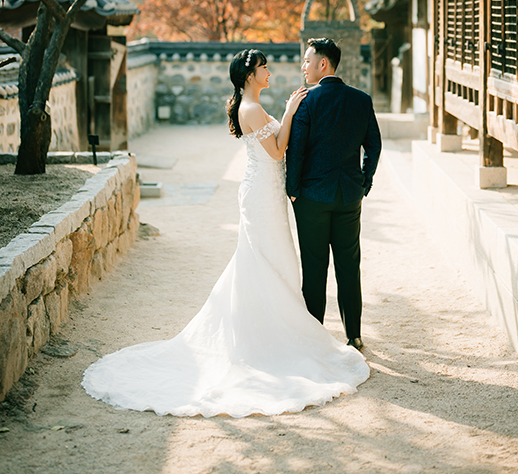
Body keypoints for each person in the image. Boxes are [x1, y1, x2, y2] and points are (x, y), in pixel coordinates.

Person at [83, 49, 369, 417]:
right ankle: (268, 336)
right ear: (250, 74)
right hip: (261, 196)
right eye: (264, 67)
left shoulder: (251, 105)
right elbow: (279, 151)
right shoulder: (250, 109)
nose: (269, 71)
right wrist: (290, 111)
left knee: (273, 261)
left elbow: (276, 145)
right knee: (267, 261)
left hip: (266, 192)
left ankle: (278, 328)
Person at [286, 38, 381, 351]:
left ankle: (316, 338)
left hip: (311, 197)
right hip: (349, 196)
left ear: (322, 64)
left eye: (307, 60)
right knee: (348, 264)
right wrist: (363, 183)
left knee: (314, 268)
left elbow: (296, 150)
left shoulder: (307, 102)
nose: (304, 66)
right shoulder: (361, 99)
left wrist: (293, 191)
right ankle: (354, 335)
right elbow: (374, 145)